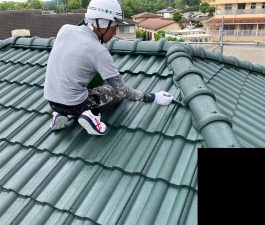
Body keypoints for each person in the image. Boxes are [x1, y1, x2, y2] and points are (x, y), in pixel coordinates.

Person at [44, 0, 173, 136]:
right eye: (114, 27)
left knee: (77, 88)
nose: (114, 33)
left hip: (52, 101)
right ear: (102, 23)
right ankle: (91, 115)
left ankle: (60, 115)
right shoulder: (99, 51)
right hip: (76, 105)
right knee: (113, 92)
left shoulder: (65, 29)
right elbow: (123, 90)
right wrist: (153, 97)